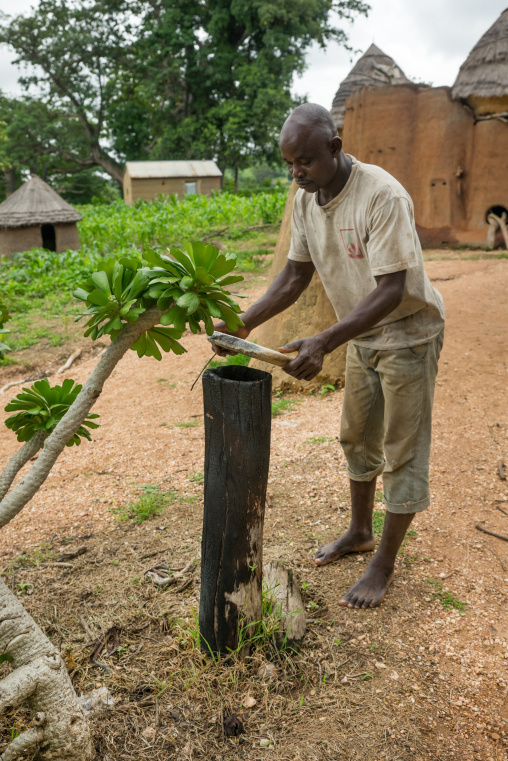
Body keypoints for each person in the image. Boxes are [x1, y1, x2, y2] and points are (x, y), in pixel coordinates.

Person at [213, 102, 445, 609]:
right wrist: (243, 322)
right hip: (365, 337)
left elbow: (389, 292)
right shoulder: (304, 199)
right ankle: (360, 531)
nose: (296, 173)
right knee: (357, 437)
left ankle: (382, 563)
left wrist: (324, 340)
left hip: (408, 332)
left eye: (306, 161)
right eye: (289, 163)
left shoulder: (381, 195)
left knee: (402, 449)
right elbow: (295, 276)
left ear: (335, 149)